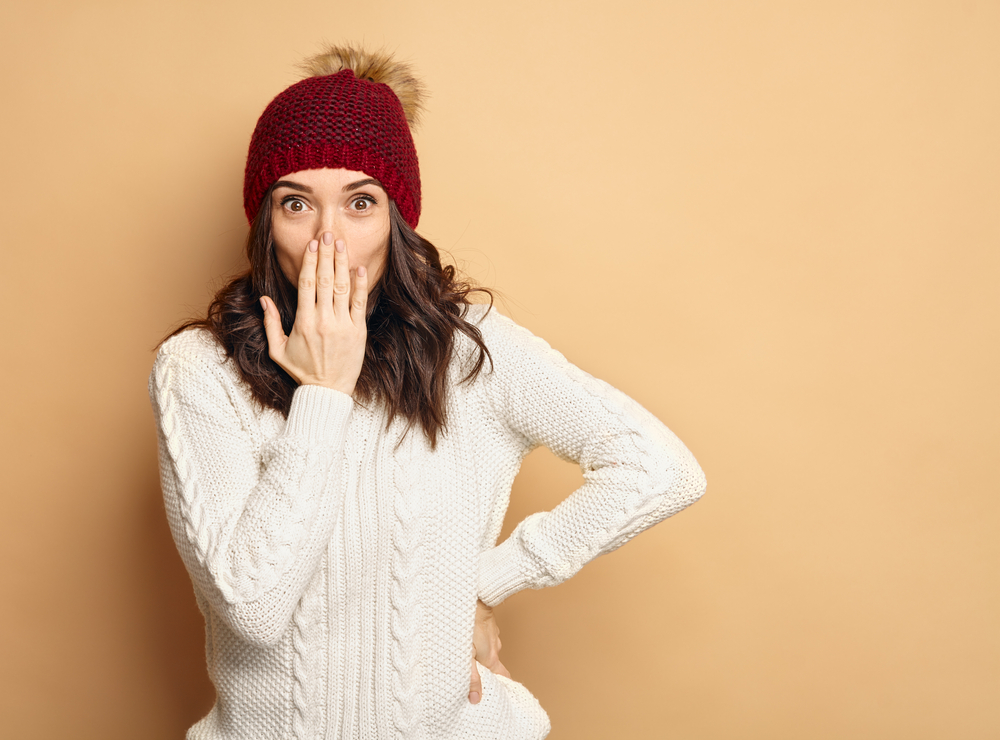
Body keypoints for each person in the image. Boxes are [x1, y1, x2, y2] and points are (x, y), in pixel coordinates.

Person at [149, 44, 706, 740]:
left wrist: (482, 582)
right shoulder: (197, 369)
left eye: (360, 203)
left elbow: (661, 467)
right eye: (297, 203)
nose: (331, 239)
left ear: (397, 219)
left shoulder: (470, 349)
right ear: (265, 221)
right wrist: (324, 393)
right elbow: (252, 608)